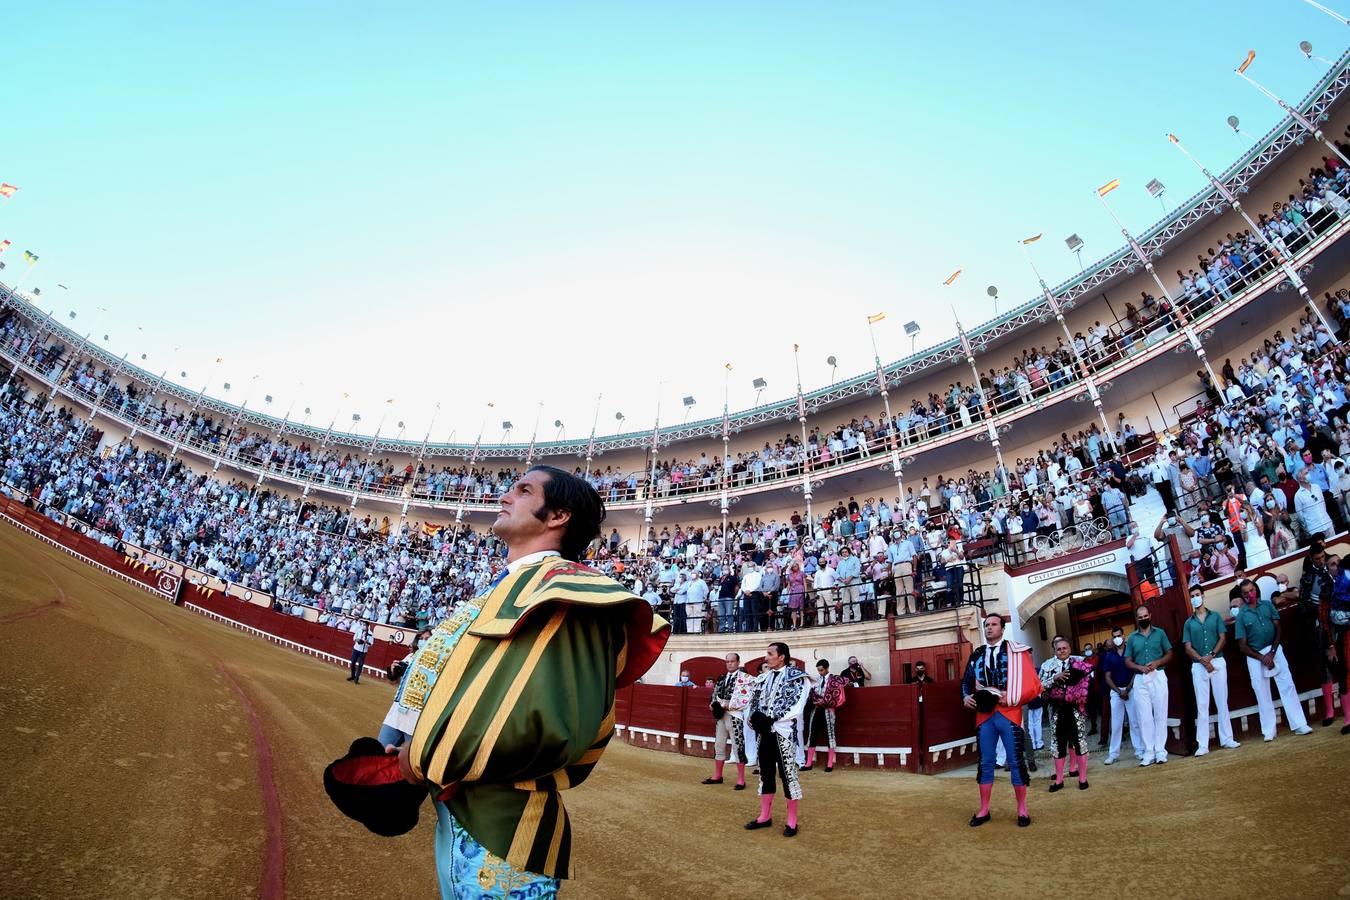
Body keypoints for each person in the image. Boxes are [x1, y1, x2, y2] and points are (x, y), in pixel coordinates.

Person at [387, 466, 669, 896]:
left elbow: (555, 725)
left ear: (557, 516)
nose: (504, 496)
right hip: (463, 808)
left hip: (506, 827)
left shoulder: (572, 594)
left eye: (522, 490)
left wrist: (423, 757)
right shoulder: (510, 588)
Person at [961, 612, 1042, 828]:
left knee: (1016, 762)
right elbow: (965, 682)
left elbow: (1033, 684)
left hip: (1010, 711)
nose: (989, 628)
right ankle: (984, 809)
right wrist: (965, 697)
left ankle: (1022, 809)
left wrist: (1013, 696)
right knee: (985, 763)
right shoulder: (977, 654)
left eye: (993, 624)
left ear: (1002, 629)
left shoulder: (1017, 651)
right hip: (984, 714)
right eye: (986, 625)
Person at [743, 642, 810, 837]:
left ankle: (792, 821)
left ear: (782, 657)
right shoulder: (762, 678)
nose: (766, 657)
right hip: (765, 733)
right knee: (765, 773)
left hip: (784, 732)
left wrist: (772, 718)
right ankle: (765, 816)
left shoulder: (797, 677)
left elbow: (797, 704)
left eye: (770, 654)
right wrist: (753, 718)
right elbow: (754, 701)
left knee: (788, 775)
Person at [1234, 582, 1314, 741]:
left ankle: (1299, 724)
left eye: (1251, 590)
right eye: (1245, 593)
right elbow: (1242, 646)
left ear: (1256, 590)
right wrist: (1262, 657)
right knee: (1261, 692)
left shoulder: (1267, 605)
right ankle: (1269, 730)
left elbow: (1278, 628)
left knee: (1287, 685)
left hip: (1274, 650)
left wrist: (1271, 652)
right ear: (1242, 596)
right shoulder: (1241, 615)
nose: (1249, 594)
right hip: (1255, 656)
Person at [1182, 586, 1241, 756]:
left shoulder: (1215, 616)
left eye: (1197, 595)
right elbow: (1187, 647)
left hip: (1217, 661)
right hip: (1199, 665)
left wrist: (1212, 655)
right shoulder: (1188, 622)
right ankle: (1203, 744)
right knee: (1202, 705)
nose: (1195, 598)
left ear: (1203, 596)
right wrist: (1202, 659)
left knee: (1222, 700)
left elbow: (1223, 637)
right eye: (1192, 596)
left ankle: (1227, 738)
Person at [1038, 636, 1095, 792]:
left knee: (1080, 741)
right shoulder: (1047, 665)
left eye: (1065, 648)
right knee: (1058, 743)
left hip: (1076, 708)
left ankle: (1082, 778)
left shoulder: (1080, 663)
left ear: (1069, 649)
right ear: (1054, 651)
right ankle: (1059, 780)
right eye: (1059, 649)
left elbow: (1089, 683)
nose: (1062, 651)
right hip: (1057, 709)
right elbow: (1039, 687)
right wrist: (1054, 678)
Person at [1124, 604, 1174, 766]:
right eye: (1140, 617)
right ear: (1137, 619)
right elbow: (1127, 660)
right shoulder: (1132, 638)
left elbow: (1169, 653)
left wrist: (1158, 662)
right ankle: (1149, 752)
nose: (1143, 619)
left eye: (1146, 616)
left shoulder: (1160, 633)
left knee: (1160, 714)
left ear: (1150, 616)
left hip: (1158, 675)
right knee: (1144, 717)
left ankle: (1160, 751)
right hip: (1140, 678)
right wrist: (1140, 667)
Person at [705, 652, 754, 789]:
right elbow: (714, 694)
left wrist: (731, 705)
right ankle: (718, 776)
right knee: (719, 745)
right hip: (721, 716)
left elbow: (748, 696)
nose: (730, 664)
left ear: (738, 662)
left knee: (738, 746)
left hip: (735, 715)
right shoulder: (721, 678)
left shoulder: (745, 678)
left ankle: (741, 780)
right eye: (727, 661)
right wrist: (712, 703)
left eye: (732, 661)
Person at [1100, 625, 1143, 765]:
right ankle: (1113, 754)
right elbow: (1107, 677)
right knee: (1116, 724)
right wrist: (1119, 692)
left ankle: (1139, 750)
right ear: (1112, 639)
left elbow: (1136, 671)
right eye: (1114, 636)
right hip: (1116, 692)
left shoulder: (1130, 652)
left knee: (1134, 722)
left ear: (1124, 636)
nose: (1117, 638)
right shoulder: (1109, 655)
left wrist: (1128, 689)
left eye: (1119, 635)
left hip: (1131, 689)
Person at [803, 659, 847, 772]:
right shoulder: (817, 681)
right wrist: (815, 701)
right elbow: (812, 694)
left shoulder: (834, 680)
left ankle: (830, 764)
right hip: (816, 710)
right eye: (818, 670)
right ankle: (808, 763)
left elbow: (837, 696)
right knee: (812, 735)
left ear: (827, 668)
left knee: (830, 736)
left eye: (821, 670)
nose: (820, 672)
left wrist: (823, 702)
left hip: (828, 711)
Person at [347, 617, 373, 684]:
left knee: (360, 665)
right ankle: (353, 676)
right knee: (352, 663)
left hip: (363, 651)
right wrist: (357, 640)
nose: (363, 626)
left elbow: (371, 644)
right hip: (356, 648)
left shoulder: (370, 634)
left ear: (368, 626)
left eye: (364, 625)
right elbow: (354, 638)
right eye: (363, 624)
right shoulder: (359, 630)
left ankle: (356, 678)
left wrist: (366, 642)